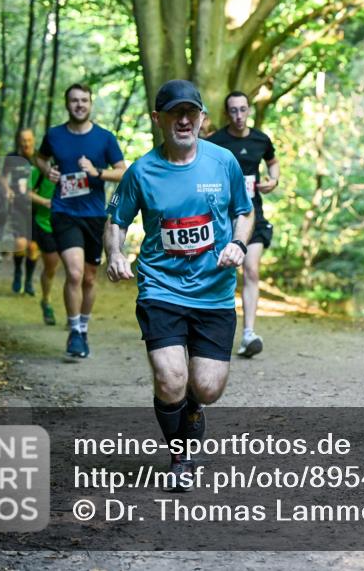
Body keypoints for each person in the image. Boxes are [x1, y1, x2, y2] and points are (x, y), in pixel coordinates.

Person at [106, 79, 253, 490]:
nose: (184, 120)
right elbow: (116, 221)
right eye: (175, 113)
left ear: (203, 118)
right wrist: (116, 253)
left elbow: (245, 211)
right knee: (171, 379)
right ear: (159, 119)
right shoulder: (141, 170)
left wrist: (239, 244)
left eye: (191, 112)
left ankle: (190, 408)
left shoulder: (223, 162)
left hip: (215, 292)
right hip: (161, 289)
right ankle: (180, 455)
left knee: (206, 389)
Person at [36, 83, 126, 359]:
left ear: (90, 104)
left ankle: (84, 328)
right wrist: (48, 170)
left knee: (88, 278)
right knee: (74, 272)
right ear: (67, 104)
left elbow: (123, 172)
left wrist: (97, 172)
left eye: (84, 100)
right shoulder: (54, 135)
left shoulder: (105, 138)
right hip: (64, 212)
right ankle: (74, 331)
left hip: (94, 215)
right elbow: (40, 159)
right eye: (74, 100)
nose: (79, 105)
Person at [206, 91, 280, 357]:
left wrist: (273, 180)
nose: (239, 115)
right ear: (227, 114)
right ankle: (212, 331)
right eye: (233, 111)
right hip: (223, 219)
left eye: (243, 109)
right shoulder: (215, 142)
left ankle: (249, 334)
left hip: (253, 215)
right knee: (223, 273)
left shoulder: (261, 139)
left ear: (249, 110)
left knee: (251, 270)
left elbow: (273, 163)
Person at [3, 128, 38, 295]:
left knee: (33, 247)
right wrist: (6, 190)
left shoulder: (40, 159)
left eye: (29, 140)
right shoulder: (11, 158)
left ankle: (29, 281)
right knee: (20, 243)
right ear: (19, 141)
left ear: (34, 140)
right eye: (23, 140)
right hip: (17, 206)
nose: (26, 143)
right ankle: (18, 272)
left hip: (37, 208)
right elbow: (3, 178)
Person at [30, 165, 60, 325]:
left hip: (70, 223)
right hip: (45, 224)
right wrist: (45, 201)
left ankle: (74, 317)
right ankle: (46, 301)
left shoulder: (77, 170)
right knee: (51, 267)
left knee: (75, 270)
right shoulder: (39, 171)